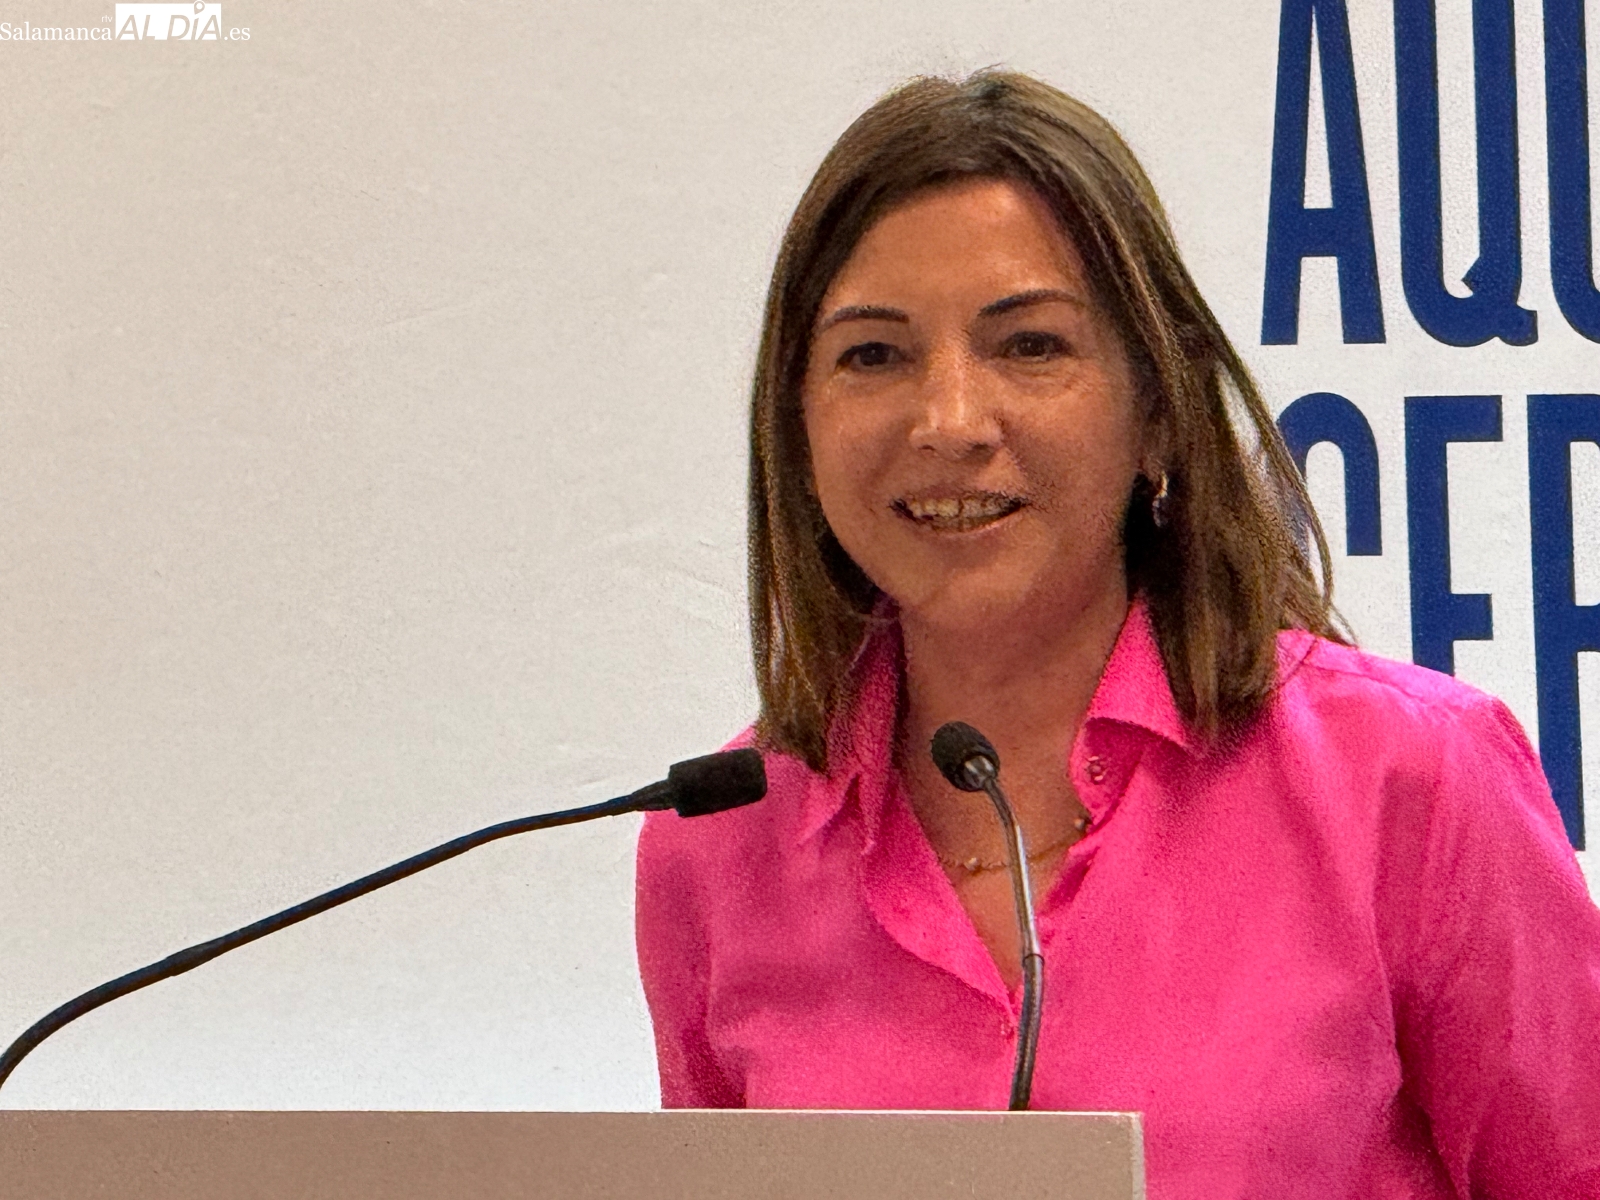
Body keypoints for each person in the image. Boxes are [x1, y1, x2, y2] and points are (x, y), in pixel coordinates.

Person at [633, 70, 1600, 1198]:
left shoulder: (1411, 779)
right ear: (795, 427)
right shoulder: (716, 851)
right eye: (874, 355)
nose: (949, 421)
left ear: (1158, 412)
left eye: (1029, 345)